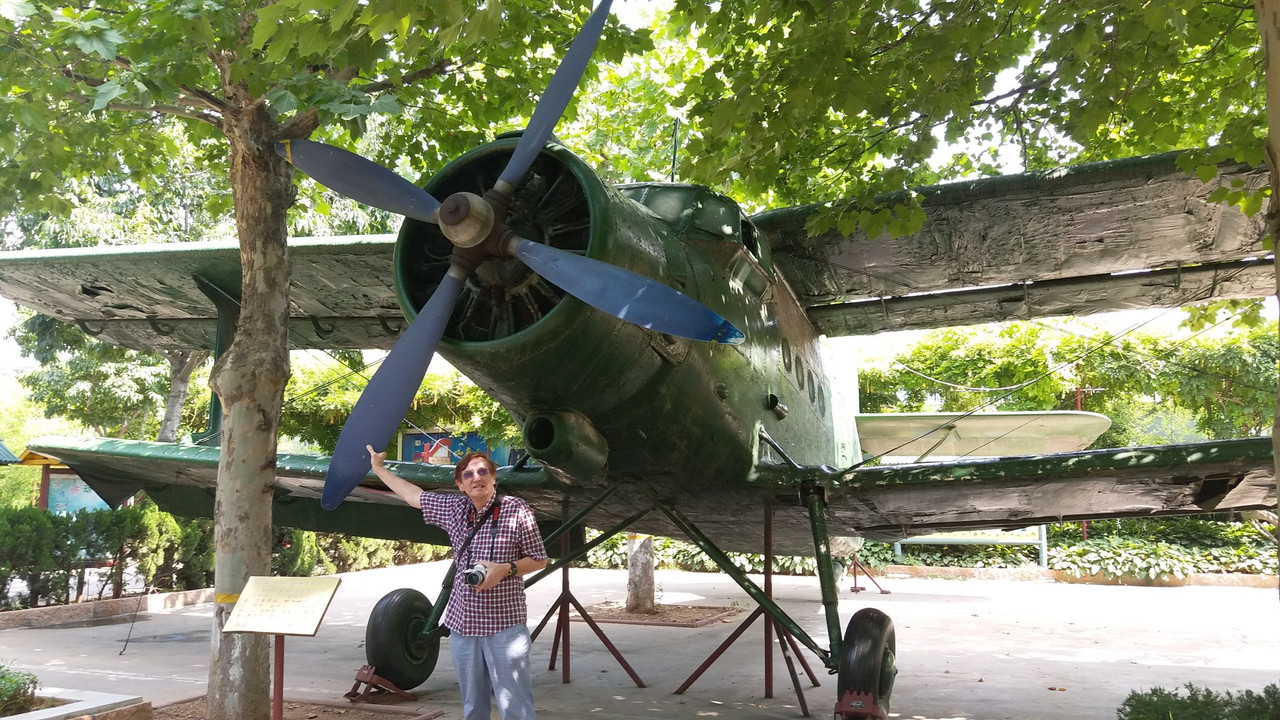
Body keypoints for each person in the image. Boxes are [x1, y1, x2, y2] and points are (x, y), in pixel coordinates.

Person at [368, 444, 548, 720]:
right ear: (460, 484)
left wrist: (504, 569)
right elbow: (414, 496)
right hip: (463, 627)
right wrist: (378, 468)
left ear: (493, 478)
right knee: (473, 706)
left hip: (504, 627)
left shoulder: (516, 510)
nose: (476, 477)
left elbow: (539, 559)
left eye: (482, 471)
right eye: (468, 474)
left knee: (516, 706)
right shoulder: (455, 508)